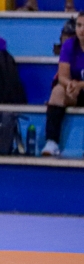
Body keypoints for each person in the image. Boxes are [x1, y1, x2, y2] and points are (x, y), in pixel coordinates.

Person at [42, 12, 84, 157]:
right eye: (79, 25)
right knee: (58, 91)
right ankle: (52, 142)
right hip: (75, 91)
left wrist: (80, 85)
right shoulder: (69, 45)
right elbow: (62, 76)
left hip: (80, 87)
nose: (82, 30)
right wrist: (71, 84)